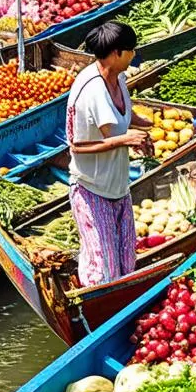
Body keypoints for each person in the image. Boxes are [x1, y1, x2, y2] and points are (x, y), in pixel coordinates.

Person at [64, 21, 153, 287]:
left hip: (118, 186)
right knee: (103, 270)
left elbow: (123, 116)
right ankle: (96, 313)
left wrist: (142, 124)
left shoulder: (119, 77)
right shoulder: (90, 90)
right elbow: (77, 145)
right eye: (131, 50)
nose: (134, 55)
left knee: (126, 263)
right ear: (116, 53)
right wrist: (124, 140)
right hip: (92, 189)